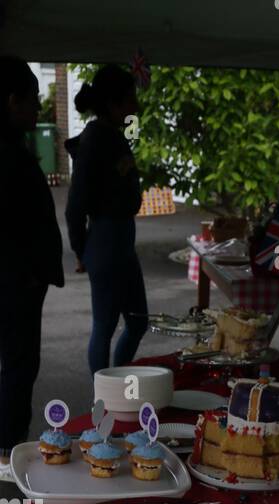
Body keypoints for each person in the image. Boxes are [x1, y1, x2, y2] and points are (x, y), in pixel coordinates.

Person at [0, 57, 64, 473]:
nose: (37, 109)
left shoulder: (13, 147)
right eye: (32, 101)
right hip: (14, 279)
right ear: (11, 101)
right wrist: (30, 274)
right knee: (19, 364)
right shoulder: (8, 155)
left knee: (18, 363)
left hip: (18, 276)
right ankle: (7, 449)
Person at [65, 64, 147, 374]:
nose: (135, 107)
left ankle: (118, 385)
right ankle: (103, 402)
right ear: (113, 104)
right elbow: (75, 206)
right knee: (105, 326)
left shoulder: (113, 136)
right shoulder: (94, 141)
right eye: (129, 100)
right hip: (104, 242)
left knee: (138, 321)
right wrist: (80, 248)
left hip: (122, 242)